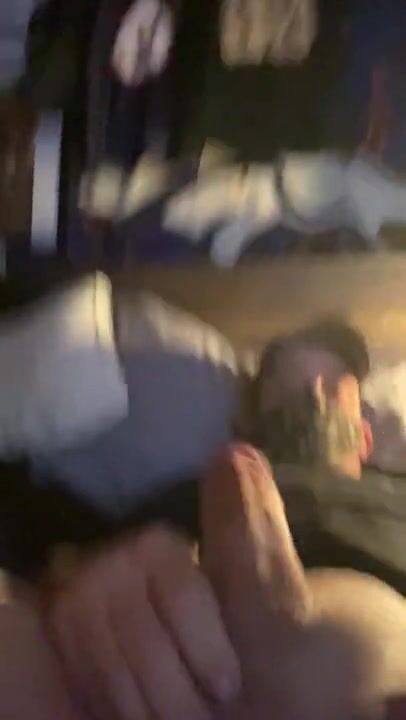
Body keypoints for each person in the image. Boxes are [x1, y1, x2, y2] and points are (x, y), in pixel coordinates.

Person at [247, 317, 406, 594]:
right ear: (248, 430)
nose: (315, 399)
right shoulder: (213, 493)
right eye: (291, 393)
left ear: (366, 440)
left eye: (333, 390)